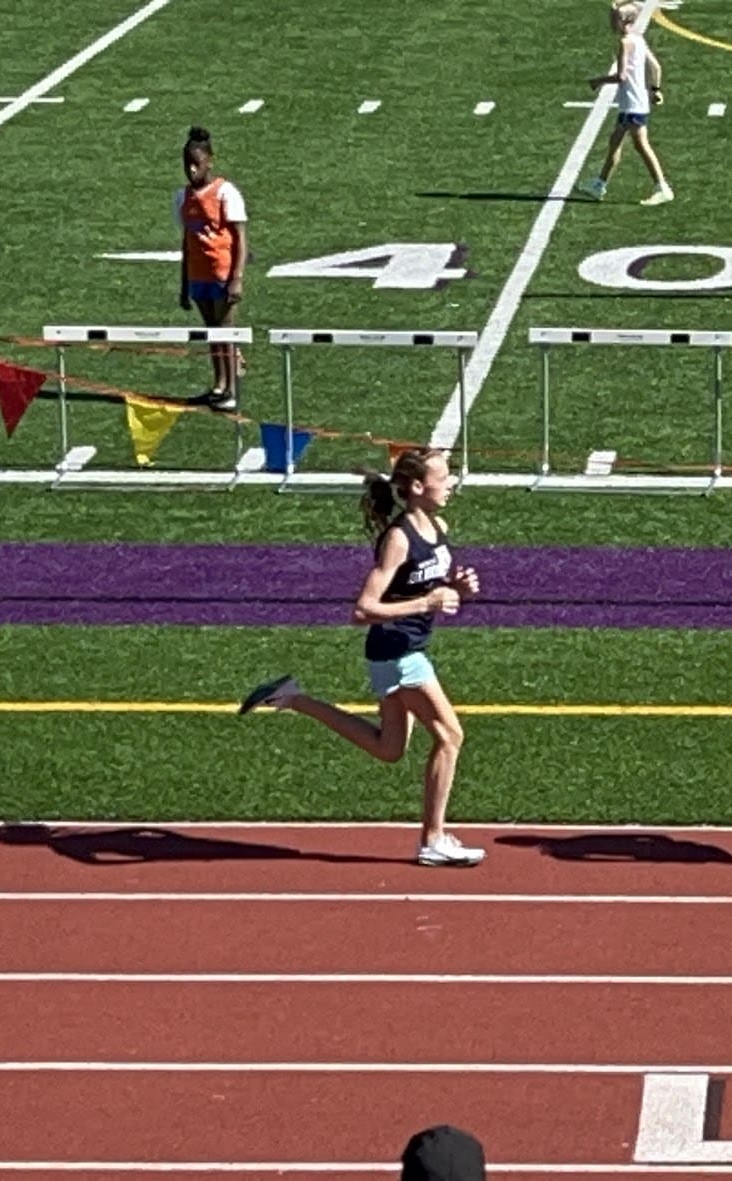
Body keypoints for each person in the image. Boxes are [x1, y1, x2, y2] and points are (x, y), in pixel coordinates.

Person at [239, 448, 486, 867]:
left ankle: (293, 697)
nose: (451, 484)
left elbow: (422, 583)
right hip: (397, 651)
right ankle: (433, 839)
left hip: (406, 648)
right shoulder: (399, 538)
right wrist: (428, 603)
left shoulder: (438, 526)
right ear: (417, 487)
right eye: (444, 478)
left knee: (389, 749)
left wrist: (456, 587)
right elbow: (363, 610)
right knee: (450, 736)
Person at [176, 125, 248, 411]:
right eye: (187, 164)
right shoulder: (182, 197)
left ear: (209, 161)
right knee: (211, 332)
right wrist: (184, 285)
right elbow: (186, 242)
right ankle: (218, 384)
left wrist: (237, 278)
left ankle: (231, 388)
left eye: (197, 163)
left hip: (222, 272)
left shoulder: (225, 192)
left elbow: (241, 238)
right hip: (198, 274)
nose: (191, 170)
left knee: (226, 331)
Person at [580, 2, 675, 206]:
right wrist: (655, 91)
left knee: (641, 145)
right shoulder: (638, 40)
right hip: (634, 102)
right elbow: (656, 67)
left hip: (632, 103)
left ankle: (662, 187)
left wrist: (599, 81)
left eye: (614, 18)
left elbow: (622, 76)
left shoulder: (625, 43)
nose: (611, 22)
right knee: (615, 141)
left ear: (624, 21)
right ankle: (599, 184)